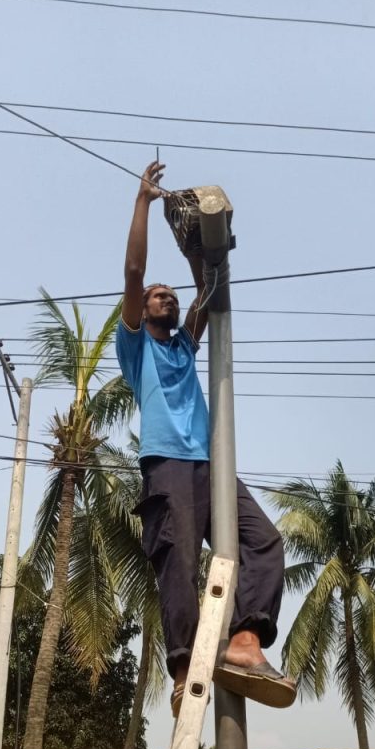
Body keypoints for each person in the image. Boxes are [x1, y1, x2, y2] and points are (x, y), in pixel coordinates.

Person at [116, 161, 296, 717]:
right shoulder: (137, 348)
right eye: (156, 296)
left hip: (211, 464)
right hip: (167, 465)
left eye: (169, 295)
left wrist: (202, 246)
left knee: (263, 541)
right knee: (178, 563)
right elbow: (132, 268)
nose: (164, 297)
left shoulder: (182, 345)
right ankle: (183, 666)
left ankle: (244, 644)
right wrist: (144, 203)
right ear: (142, 308)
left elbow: (206, 293)